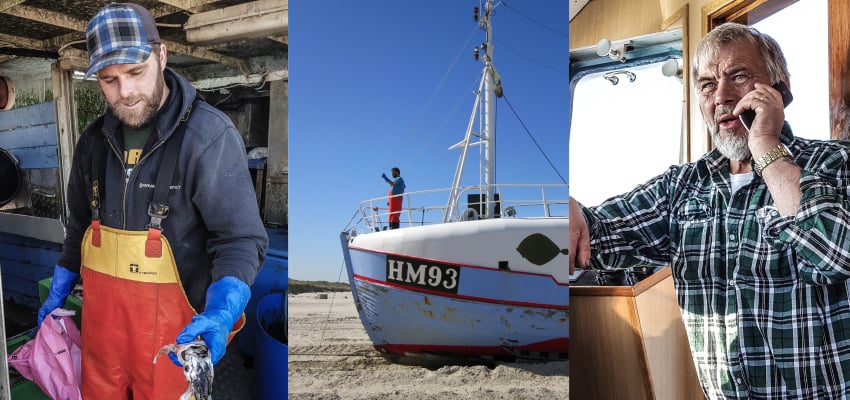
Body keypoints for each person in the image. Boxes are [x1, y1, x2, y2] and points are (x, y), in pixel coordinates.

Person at [570, 22, 850, 399]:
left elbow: (836, 255)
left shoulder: (834, 163)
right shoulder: (681, 187)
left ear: (778, 89)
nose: (721, 96)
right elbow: (598, 234)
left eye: (738, 76)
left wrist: (766, 147)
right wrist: (571, 212)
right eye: (706, 84)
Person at [37, 3, 268, 398]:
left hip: (173, 345)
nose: (124, 92)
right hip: (101, 345)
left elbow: (239, 240)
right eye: (109, 79)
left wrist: (222, 308)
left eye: (135, 72)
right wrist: (61, 282)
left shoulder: (208, 137)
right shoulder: (92, 142)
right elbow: (79, 225)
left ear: (161, 55)